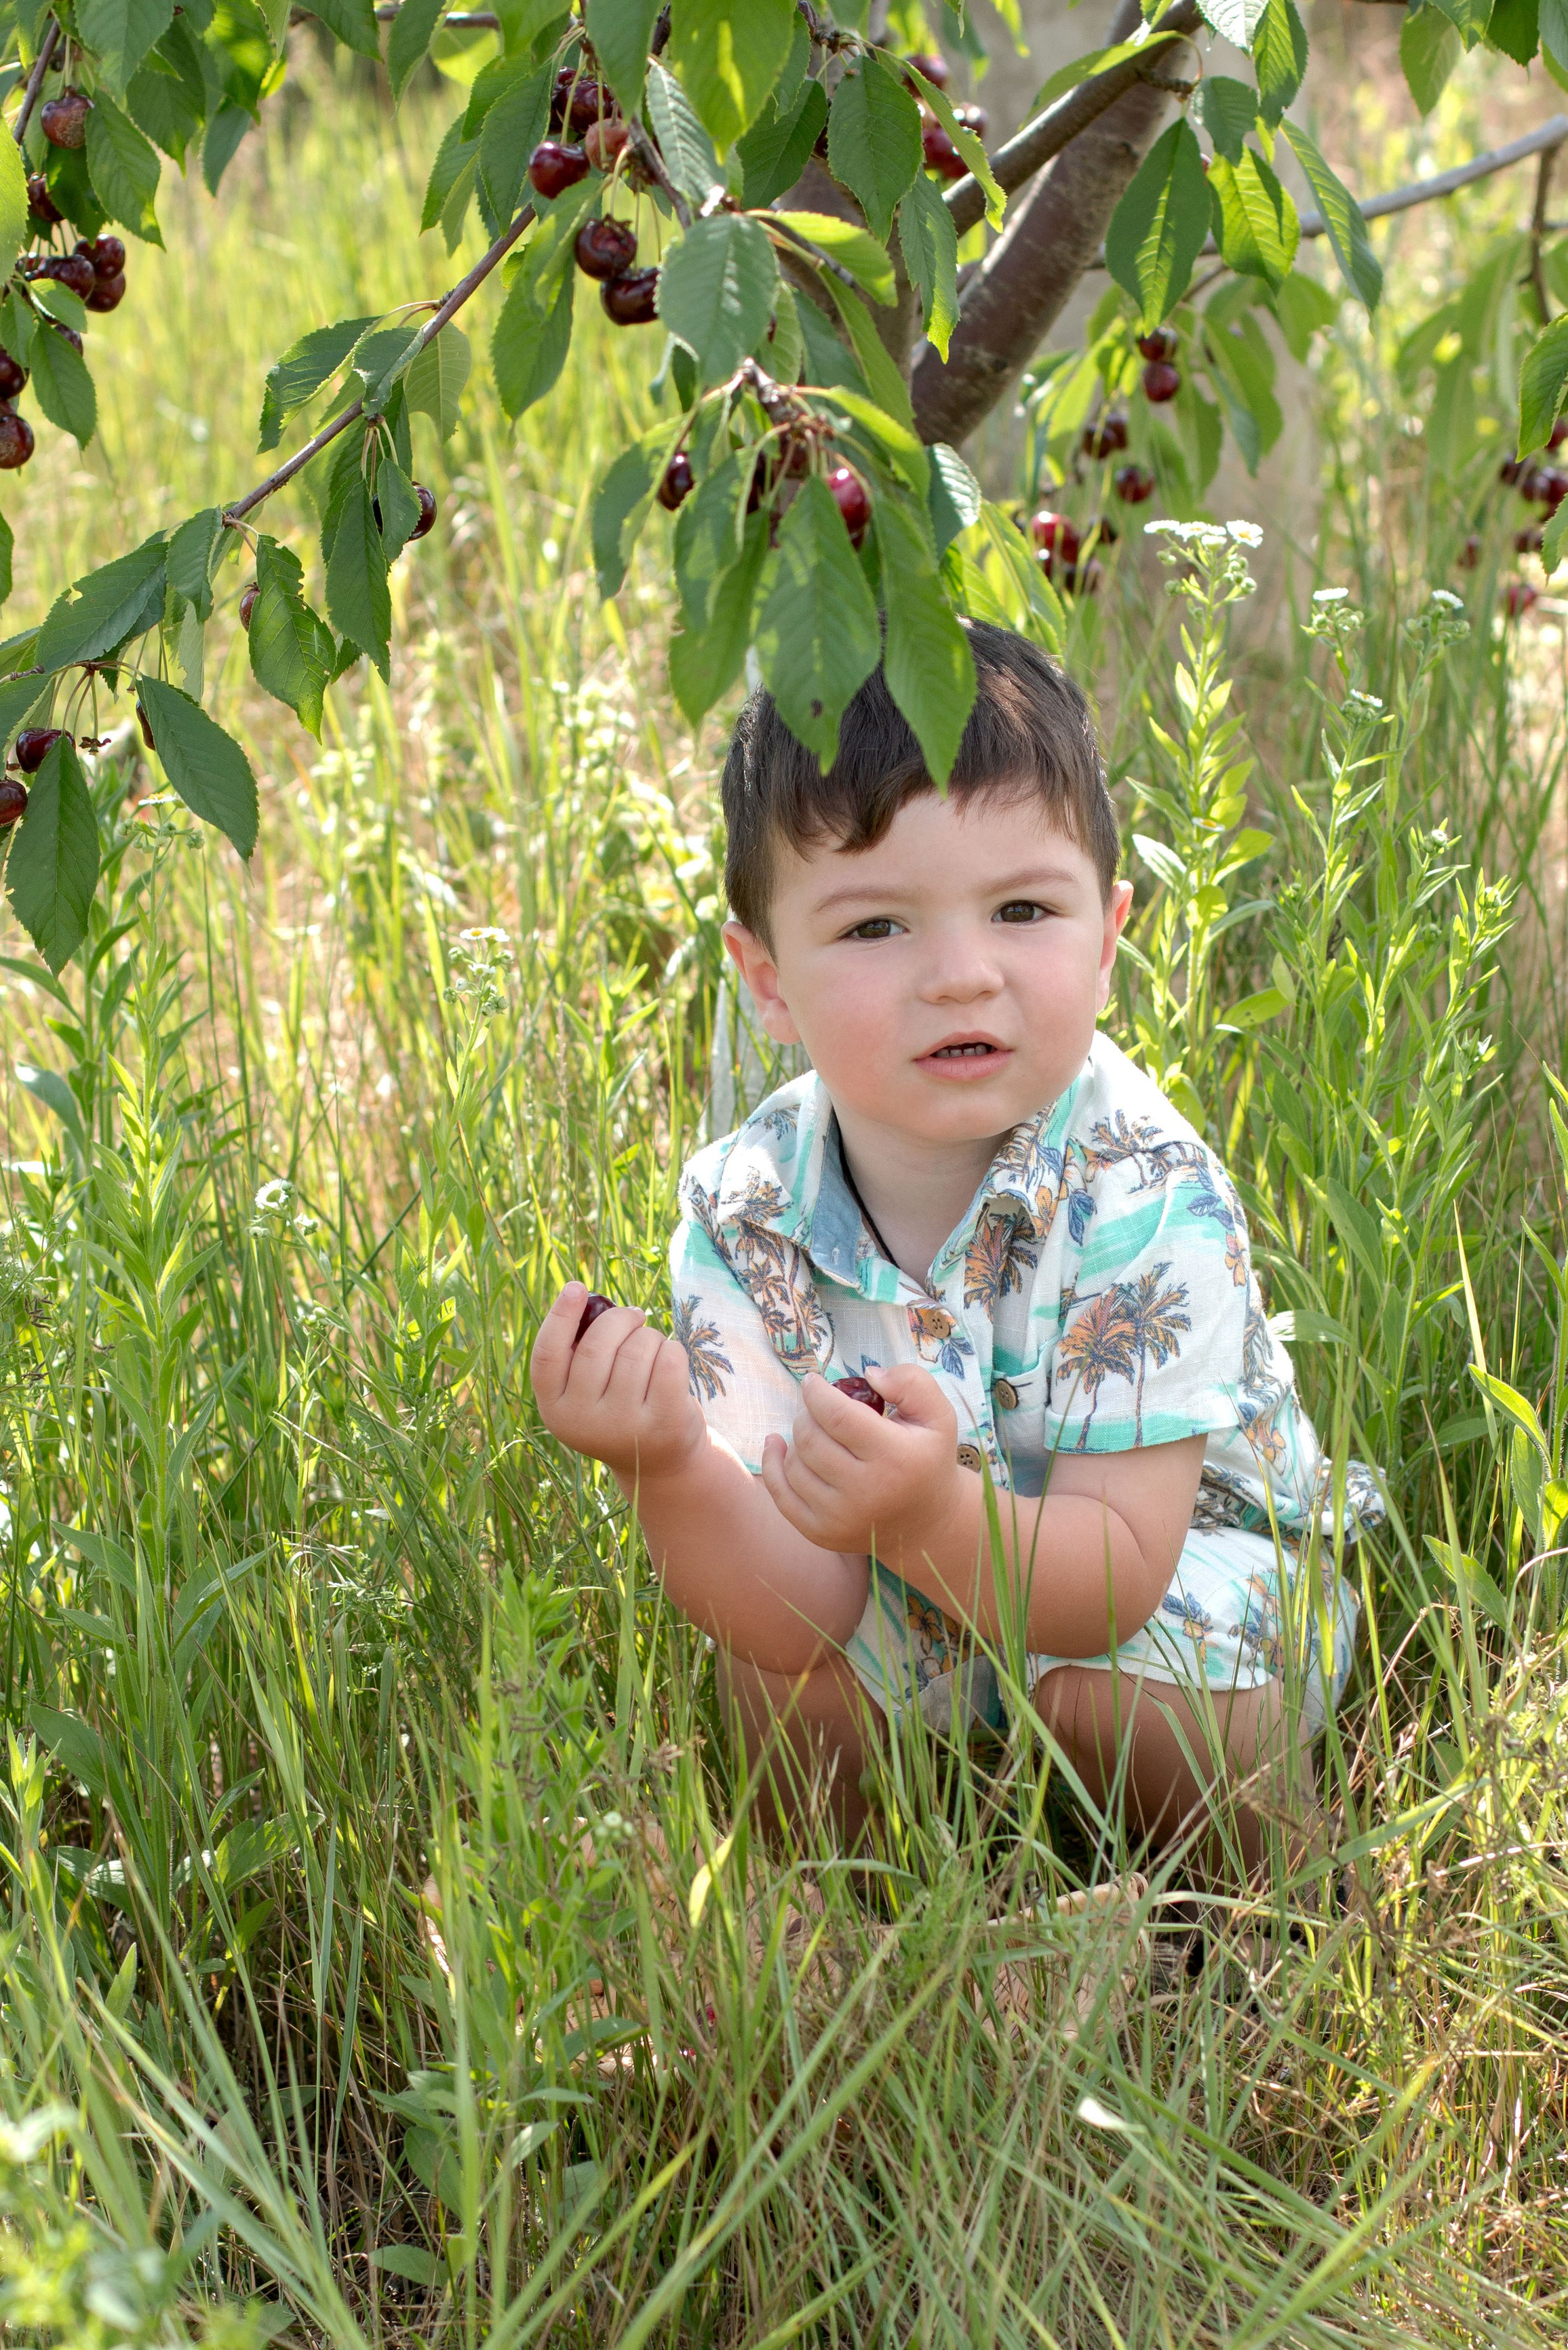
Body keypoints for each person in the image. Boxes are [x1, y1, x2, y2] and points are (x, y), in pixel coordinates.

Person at [531, 625, 1382, 1856]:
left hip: (1180, 1578)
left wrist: (924, 1520)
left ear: (1106, 935)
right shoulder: (746, 1211)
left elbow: (1123, 1570)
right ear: (768, 982)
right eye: (878, 928)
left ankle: (1252, 1924)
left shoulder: (1143, 1191)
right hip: (915, 1560)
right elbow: (800, 1603)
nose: (961, 975)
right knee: (781, 1678)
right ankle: (833, 1936)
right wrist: (666, 1465)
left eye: (1023, 909)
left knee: (1103, 1694)